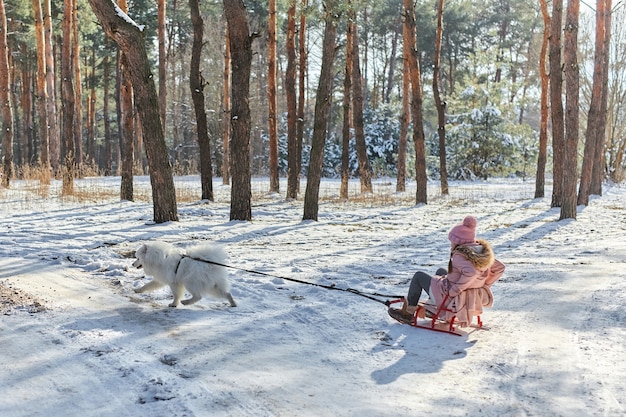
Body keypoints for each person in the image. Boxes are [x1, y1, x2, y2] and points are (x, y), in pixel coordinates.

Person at [389, 215, 505, 325]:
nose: (451, 243)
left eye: (453, 241)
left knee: (418, 276)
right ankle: (432, 307)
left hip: (450, 296)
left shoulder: (460, 255)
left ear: (459, 241)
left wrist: (455, 289)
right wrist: (483, 285)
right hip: (468, 293)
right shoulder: (481, 252)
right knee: (441, 271)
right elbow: (500, 268)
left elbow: (471, 272)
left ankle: (407, 314)